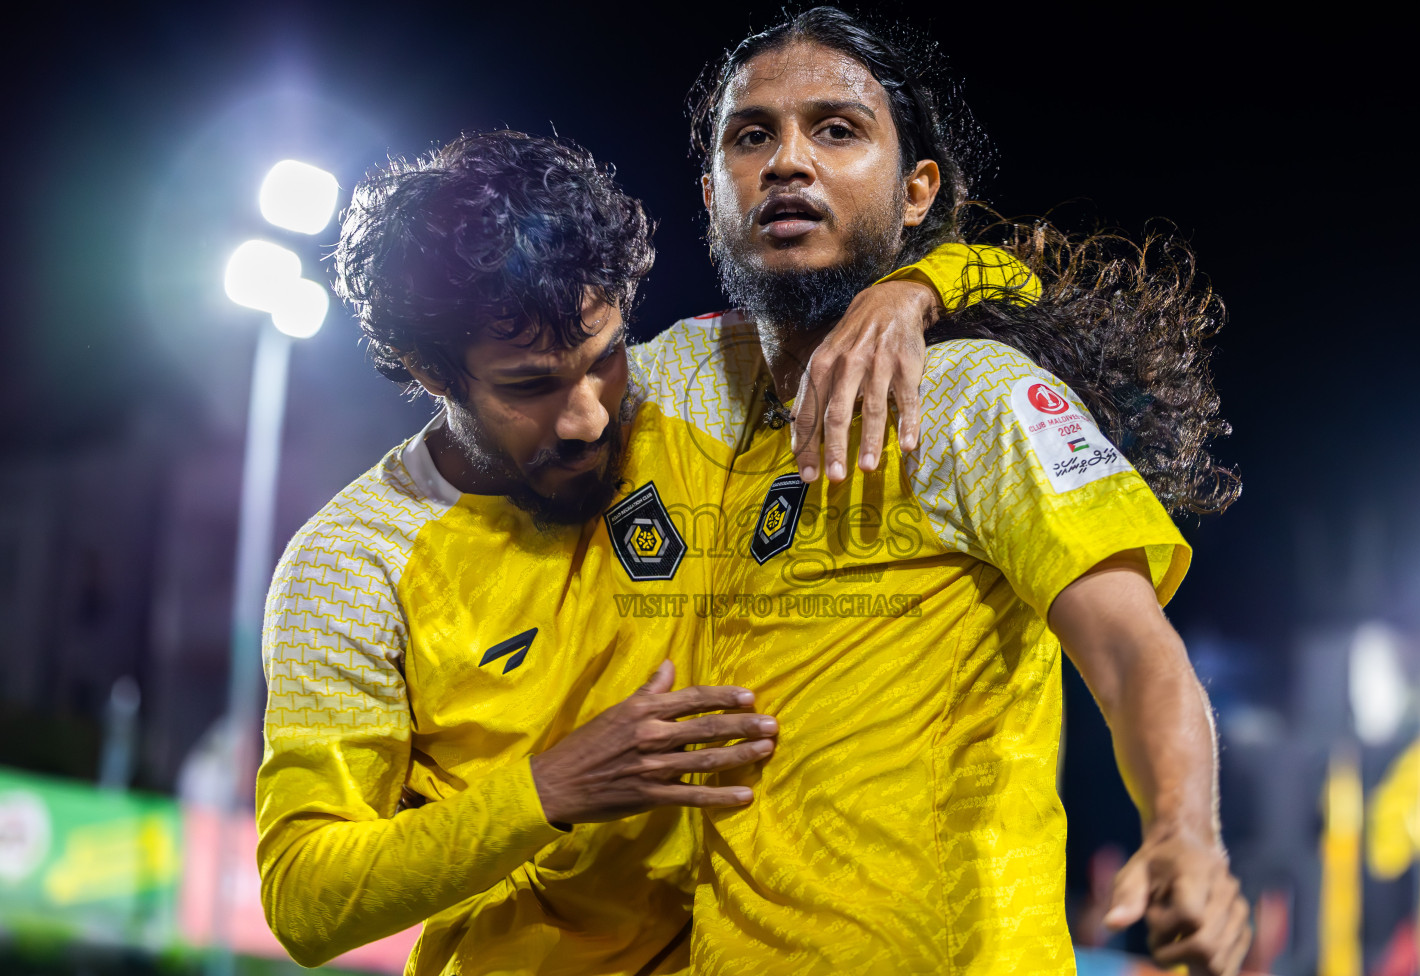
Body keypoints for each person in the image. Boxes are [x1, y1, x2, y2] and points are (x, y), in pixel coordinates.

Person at [254, 130, 999, 974]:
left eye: (603, 358)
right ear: (433, 373)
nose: (588, 418)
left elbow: (1026, 272)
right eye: (530, 385)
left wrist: (909, 295)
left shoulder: (690, 382)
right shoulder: (351, 563)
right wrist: (550, 790)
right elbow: (303, 900)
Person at [680, 7, 1251, 975]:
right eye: (752, 135)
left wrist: (1184, 830)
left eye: (836, 129)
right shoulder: (694, 404)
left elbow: (1131, 646)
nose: (787, 161)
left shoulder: (974, 395)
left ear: (917, 193)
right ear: (711, 195)